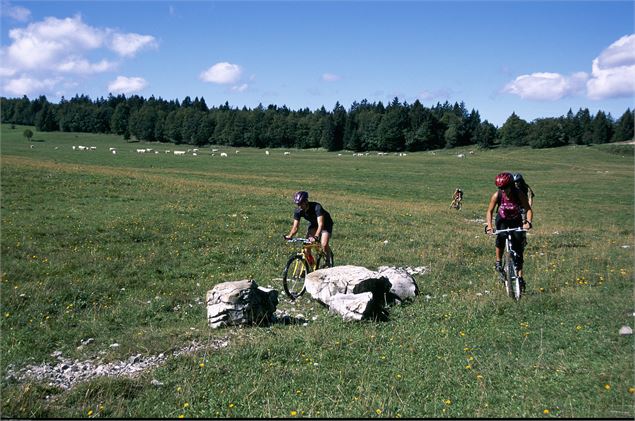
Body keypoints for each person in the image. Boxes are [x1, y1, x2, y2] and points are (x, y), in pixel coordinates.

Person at [485, 172, 533, 291]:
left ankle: (520, 278)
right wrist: (490, 226)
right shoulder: (497, 195)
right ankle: (498, 261)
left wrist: (528, 222)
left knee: (518, 248)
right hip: (502, 220)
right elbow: (489, 211)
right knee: (500, 238)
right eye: (500, 188)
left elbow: (528, 209)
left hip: (515, 220)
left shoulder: (519, 194)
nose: (503, 190)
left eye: (505, 187)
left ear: (511, 185)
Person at [284, 191, 333, 265]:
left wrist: (316, 236)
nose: (299, 206)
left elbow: (321, 224)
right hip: (313, 224)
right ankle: (310, 266)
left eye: (301, 203)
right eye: (297, 204)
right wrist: (290, 236)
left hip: (326, 224)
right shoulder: (298, 211)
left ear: (306, 201)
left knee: (324, 244)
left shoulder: (317, 207)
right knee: (306, 247)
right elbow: (295, 227)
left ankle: (328, 262)